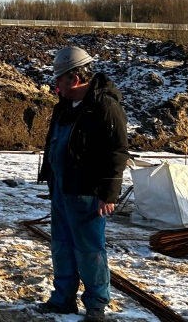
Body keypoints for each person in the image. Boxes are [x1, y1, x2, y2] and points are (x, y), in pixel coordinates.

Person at [35, 46, 129, 322]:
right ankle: (62, 299)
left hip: (87, 193)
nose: (56, 87)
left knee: (89, 250)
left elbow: (117, 152)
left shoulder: (105, 108)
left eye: (59, 80)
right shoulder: (64, 107)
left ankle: (96, 305)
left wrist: (108, 194)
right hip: (62, 190)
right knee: (62, 247)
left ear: (74, 80)